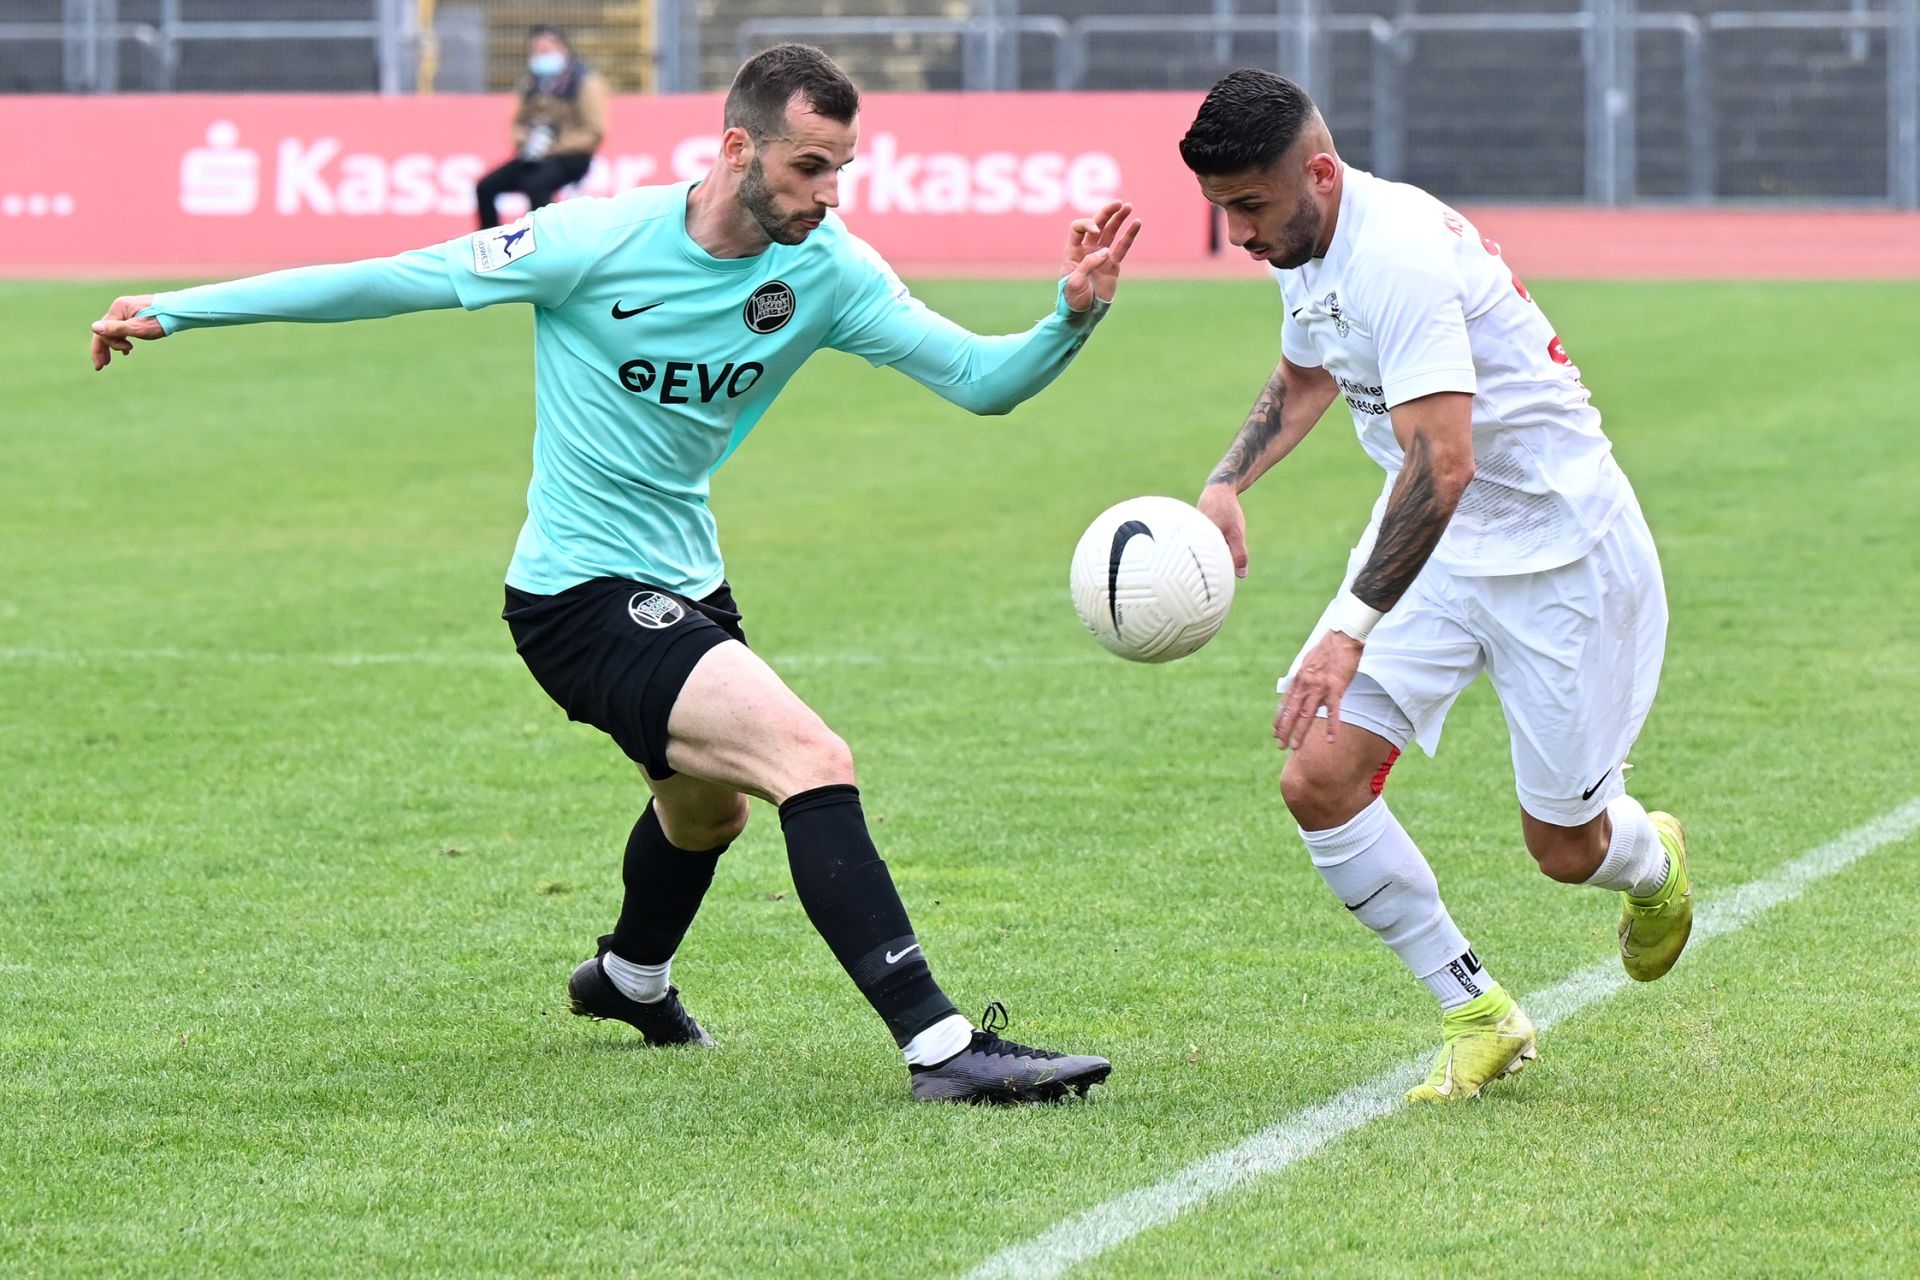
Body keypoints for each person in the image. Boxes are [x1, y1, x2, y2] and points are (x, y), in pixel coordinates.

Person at [90, 43, 1141, 1105]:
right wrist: (181, 306)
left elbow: (980, 380)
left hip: (688, 581)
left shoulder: (829, 271)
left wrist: (1072, 315)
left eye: (842, 169)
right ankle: (941, 1045)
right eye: (810, 167)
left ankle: (631, 978)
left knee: (707, 817)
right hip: (577, 596)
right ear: (739, 149)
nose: (831, 193)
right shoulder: (593, 240)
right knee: (809, 756)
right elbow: (392, 278)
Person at [1180, 70, 1691, 1102]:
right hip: (1438, 541)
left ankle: (1654, 862)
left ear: (1316, 173)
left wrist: (1348, 629)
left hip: (1561, 558)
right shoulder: (1304, 238)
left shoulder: (1399, 255)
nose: (1237, 233)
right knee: (1317, 777)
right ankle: (1477, 1008)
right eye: (1223, 207)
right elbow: (1309, 371)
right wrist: (1228, 480)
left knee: (1563, 845)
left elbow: (1446, 461)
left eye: (1248, 205)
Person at [475, 25, 607, 230]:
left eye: (545, 51)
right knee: (486, 186)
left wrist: (556, 146)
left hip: (571, 156)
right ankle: (489, 247)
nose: (539, 56)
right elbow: (516, 123)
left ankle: (545, 244)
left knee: (536, 184)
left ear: (562, 49)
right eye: (535, 51)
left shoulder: (584, 82)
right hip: (534, 154)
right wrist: (526, 140)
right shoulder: (531, 83)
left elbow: (594, 131)